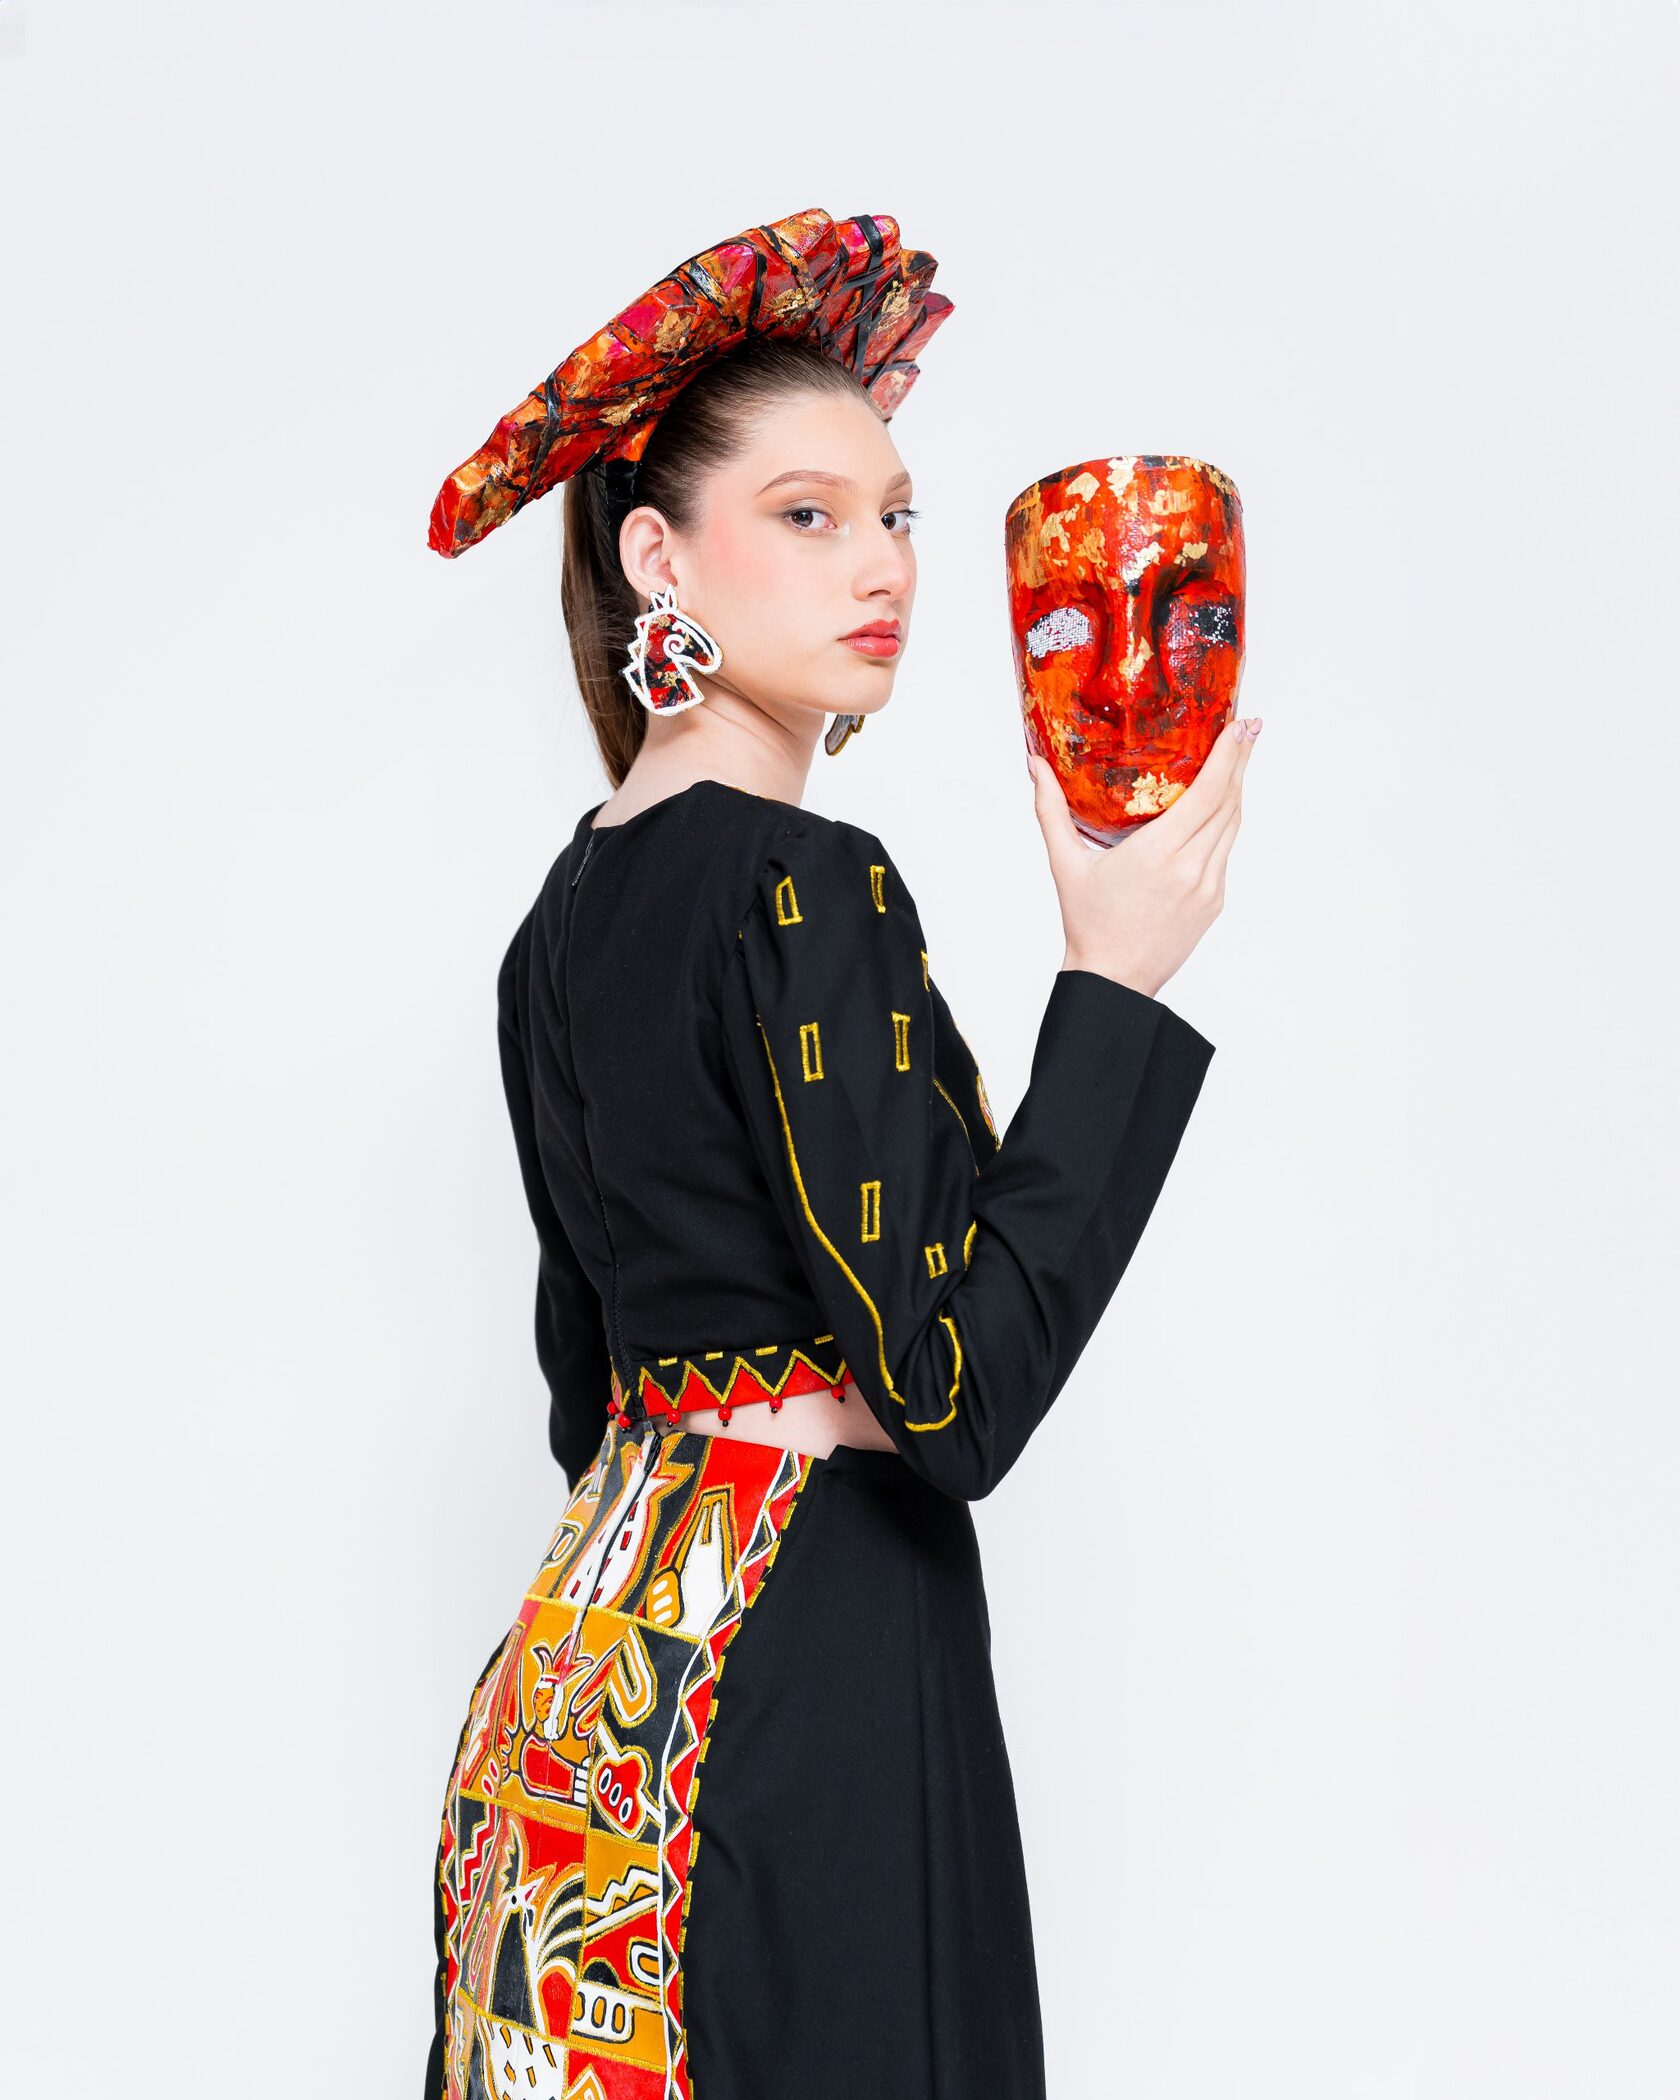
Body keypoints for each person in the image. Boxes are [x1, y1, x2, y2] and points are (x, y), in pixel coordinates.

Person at [421, 208, 1257, 2100]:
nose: (881, 565)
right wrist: (1115, 986)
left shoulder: (560, 919)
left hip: (577, 1709)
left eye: (897, 516)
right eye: (807, 515)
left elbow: (593, 1389)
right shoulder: (807, 885)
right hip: (794, 1683)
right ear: (657, 556)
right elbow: (955, 1397)